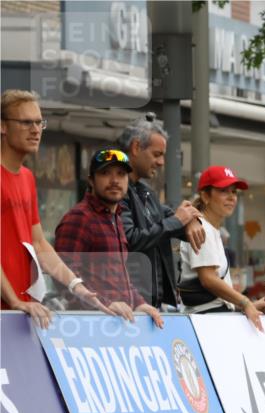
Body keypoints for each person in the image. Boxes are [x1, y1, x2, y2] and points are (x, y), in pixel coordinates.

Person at [1, 89, 108, 327]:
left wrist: (76, 286)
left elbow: (39, 243)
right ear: (3, 127)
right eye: (26, 122)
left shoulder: (27, 177)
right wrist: (13, 301)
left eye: (39, 122)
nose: (36, 129)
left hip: (24, 312)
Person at [53, 148, 163, 327]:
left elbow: (119, 276)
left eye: (121, 174)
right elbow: (62, 276)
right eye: (105, 173)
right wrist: (105, 303)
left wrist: (139, 303)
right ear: (91, 180)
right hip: (87, 327)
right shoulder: (80, 218)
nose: (115, 181)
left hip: (115, 325)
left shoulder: (116, 218)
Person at [118, 113, 204, 309]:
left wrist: (189, 220)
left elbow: (173, 217)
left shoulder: (146, 191)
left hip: (152, 303)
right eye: (157, 154)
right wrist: (179, 221)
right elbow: (131, 239)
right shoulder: (119, 192)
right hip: (131, 305)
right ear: (136, 147)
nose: (162, 162)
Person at [177, 165, 265, 331]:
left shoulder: (210, 228)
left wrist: (248, 305)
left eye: (234, 192)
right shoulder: (202, 228)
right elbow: (208, 280)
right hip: (206, 321)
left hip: (213, 317)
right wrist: (245, 302)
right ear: (205, 196)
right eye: (223, 191)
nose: (231, 197)